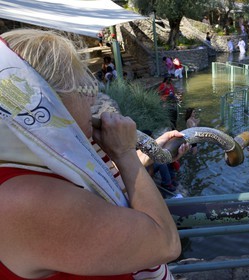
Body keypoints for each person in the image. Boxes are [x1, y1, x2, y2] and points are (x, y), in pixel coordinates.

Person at [0, 28, 189, 279]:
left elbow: (100, 195)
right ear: (46, 102)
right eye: (82, 90)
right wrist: (124, 154)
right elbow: (165, 243)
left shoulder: (44, 163)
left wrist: (145, 156)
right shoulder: (25, 200)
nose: (91, 102)